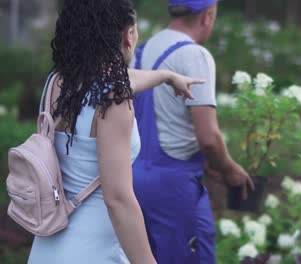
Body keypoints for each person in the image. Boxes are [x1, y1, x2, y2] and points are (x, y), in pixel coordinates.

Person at [28, 0, 202, 263]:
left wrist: (166, 76)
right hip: (94, 251)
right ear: (127, 36)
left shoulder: (58, 83)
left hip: (47, 246)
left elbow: (126, 78)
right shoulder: (114, 99)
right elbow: (118, 199)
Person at [131, 0, 254, 263]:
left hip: (133, 178)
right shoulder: (194, 55)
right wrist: (230, 170)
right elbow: (208, 137)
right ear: (208, 16)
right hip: (173, 187)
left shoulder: (145, 48)